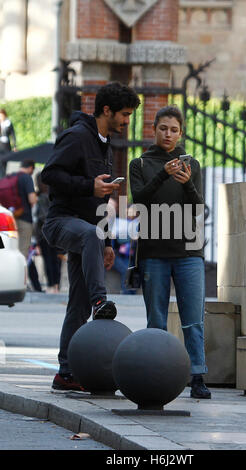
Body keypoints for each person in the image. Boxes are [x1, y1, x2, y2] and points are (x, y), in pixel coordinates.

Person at [41, 81, 140, 392]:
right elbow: (50, 175)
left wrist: (107, 243)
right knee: (87, 236)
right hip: (60, 221)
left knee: (77, 305)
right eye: (124, 114)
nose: (127, 121)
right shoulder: (76, 137)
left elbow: (100, 202)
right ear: (106, 110)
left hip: (89, 232)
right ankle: (102, 301)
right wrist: (88, 186)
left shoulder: (105, 145)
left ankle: (65, 374)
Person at [129, 105, 211, 399]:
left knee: (193, 318)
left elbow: (198, 208)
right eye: (163, 128)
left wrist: (187, 183)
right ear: (154, 129)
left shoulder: (192, 164)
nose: (168, 134)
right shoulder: (139, 164)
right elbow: (139, 200)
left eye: (174, 129)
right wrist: (163, 175)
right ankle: (156, 373)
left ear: (180, 132)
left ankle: (197, 376)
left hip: (188, 250)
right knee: (156, 318)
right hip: (153, 250)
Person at [34, 172, 62, 293]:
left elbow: (41, 217)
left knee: (48, 259)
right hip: (57, 231)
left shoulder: (41, 198)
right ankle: (56, 285)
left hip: (45, 233)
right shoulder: (55, 195)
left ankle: (51, 285)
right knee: (56, 260)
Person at [16, 159, 37, 259]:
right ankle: (20, 274)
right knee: (23, 250)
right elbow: (32, 199)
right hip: (24, 219)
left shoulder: (11, 177)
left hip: (10, 219)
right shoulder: (27, 178)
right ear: (30, 168)